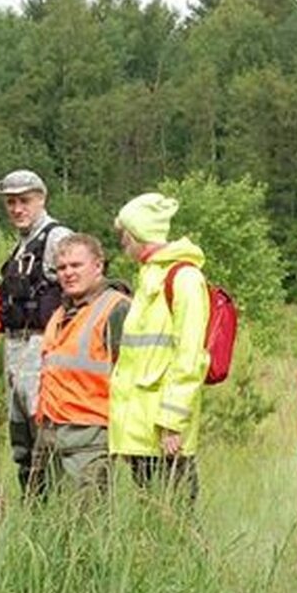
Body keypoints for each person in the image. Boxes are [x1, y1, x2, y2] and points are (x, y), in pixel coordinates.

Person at [109, 193, 209, 500]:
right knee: (153, 520)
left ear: (139, 230)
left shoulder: (185, 279)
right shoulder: (149, 277)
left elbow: (190, 358)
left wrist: (172, 422)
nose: (121, 239)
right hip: (142, 430)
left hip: (165, 432)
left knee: (177, 519)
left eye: (124, 232)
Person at [31, 234, 130, 494]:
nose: (68, 273)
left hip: (90, 434)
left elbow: (130, 375)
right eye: (62, 268)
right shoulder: (61, 312)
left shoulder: (116, 308)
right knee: (47, 520)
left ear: (98, 266)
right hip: (52, 431)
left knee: (88, 520)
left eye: (76, 266)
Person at [0, 169, 72, 495]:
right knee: (23, 443)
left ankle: (54, 513)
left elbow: (80, 288)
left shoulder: (57, 237)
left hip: (43, 350)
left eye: (24, 201)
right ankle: (34, 511)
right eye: (11, 202)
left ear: (41, 199)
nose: (17, 209)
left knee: (46, 440)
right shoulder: (21, 245)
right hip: (15, 352)